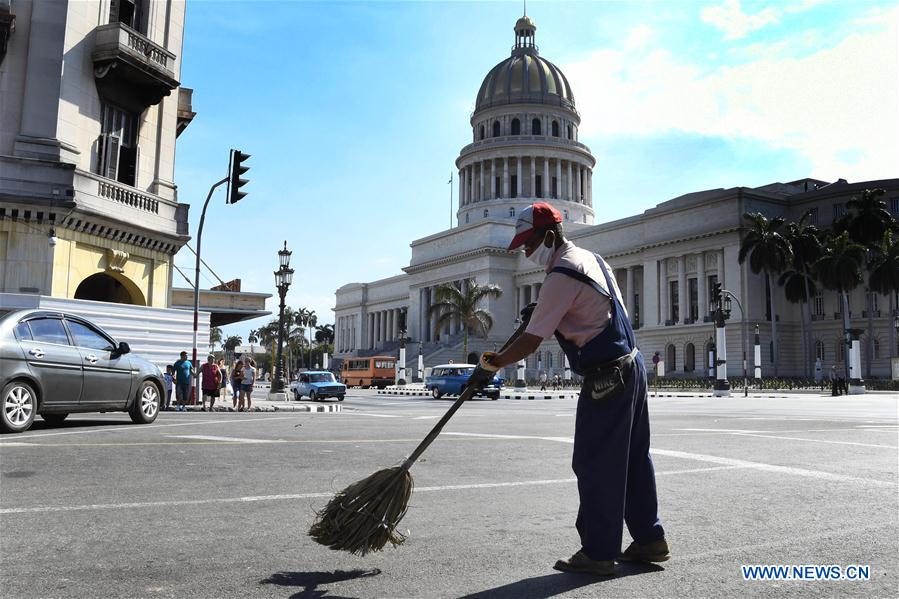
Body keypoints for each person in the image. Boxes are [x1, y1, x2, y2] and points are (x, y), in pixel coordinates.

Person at [470, 202, 668, 576]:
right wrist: (546, 311)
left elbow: (530, 342)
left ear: (549, 235)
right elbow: (597, 312)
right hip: (633, 365)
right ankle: (649, 538)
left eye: (529, 245)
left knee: (595, 463)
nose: (527, 254)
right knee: (633, 458)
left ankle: (598, 551)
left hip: (607, 375)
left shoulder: (561, 272)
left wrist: (492, 365)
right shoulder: (594, 260)